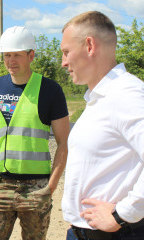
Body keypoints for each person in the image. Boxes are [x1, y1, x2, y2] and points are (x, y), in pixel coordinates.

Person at [0, 26, 70, 240]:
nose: (11, 61)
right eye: (6, 55)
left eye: (17, 55)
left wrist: (50, 187)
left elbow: (64, 143)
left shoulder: (50, 90)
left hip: (35, 188)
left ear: (31, 55)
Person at [61, 11, 144, 240]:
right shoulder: (100, 98)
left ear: (89, 45)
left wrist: (122, 214)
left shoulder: (126, 94)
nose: (63, 62)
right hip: (86, 232)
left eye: (66, 52)